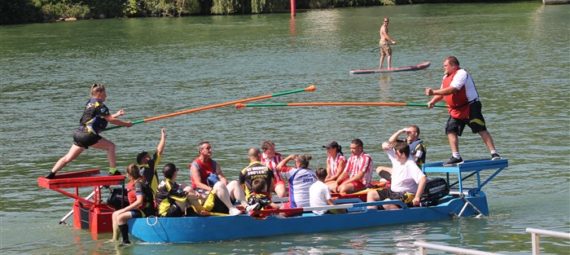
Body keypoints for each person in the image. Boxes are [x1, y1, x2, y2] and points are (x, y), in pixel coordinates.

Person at [425, 56, 501, 165]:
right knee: (450, 129)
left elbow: (453, 89)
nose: (444, 68)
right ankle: (456, 156)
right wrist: (433, 101)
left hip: (471, 107)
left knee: (480, 129)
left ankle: (494, 153)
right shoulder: (445, 77)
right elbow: (442, 92)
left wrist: (433, 92)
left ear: (454, 65)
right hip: (456, 110)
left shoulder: (461, 73)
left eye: (445, 66)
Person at [47, 84, 132, 178]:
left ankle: (51, 174)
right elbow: (110, 120)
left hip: (78, 133)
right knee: (111, 146)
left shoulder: (90, 102)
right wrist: (126, 124)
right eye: (105, 93)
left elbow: (98, 117)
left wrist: (116, 114)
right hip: (88, 136)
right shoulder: (101, 105)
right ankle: (113, 171)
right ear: (99, 93)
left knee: (68, 157)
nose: (106, 96)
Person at [366, 141, 427, 210]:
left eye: (396, 153)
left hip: (406, 195)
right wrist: (385, 145)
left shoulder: (410, 165)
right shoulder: (396, 159)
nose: (394, 155)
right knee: (371, 194)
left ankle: (403, 217)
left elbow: (423, 179)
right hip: (393, 192)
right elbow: (384, 146)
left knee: (386, 203)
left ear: (403, 154)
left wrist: (417, 197)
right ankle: (371, 214)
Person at [189, 141, 243, 213]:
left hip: (217, 190)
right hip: (205, 193)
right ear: (201, 151)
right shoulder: (195, 165)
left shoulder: (214, 164)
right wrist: (212, 190)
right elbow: (198, 183)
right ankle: (231, 208)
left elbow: (221, 177)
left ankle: (245, 206)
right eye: (208, 148)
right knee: (218, 185)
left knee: (234, 183)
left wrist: (224, 183)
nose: (210, 150)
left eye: (210, 148)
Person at [156, 163, 228, 217]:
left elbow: (179, 190)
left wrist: (195, 193)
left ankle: (194, 209)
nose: (177, 173)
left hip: (168, 208)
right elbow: (182, 196)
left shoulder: (167, 182)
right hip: (166, 214)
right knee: (187, 194)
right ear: (174, 173)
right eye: (176, 171)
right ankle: (201, 211)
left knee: (185, 186)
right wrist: (197, 196)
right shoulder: (168, 185)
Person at [111, 164, 155, 244]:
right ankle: (115, 239)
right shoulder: (138, 181)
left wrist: (124, 209)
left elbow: (139, 201)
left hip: (144, 211)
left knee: (121, 217)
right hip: (139, 209)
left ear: (129, 174)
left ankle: (126, 242)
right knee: (114, 214)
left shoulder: (138, 184)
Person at [136, 128, 166, 198]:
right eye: (148, 156)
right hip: (154, 199)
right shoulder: (149, 167)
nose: (150, 158)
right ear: (144, 159)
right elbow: (159, 151)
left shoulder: (138, 170)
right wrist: (163, 136)